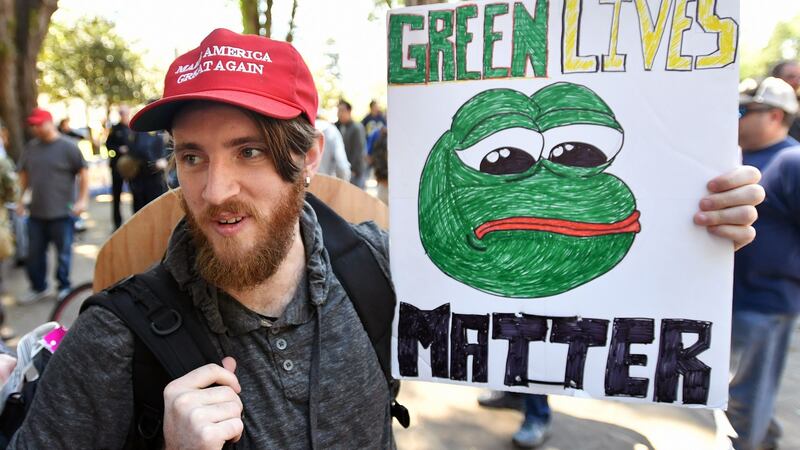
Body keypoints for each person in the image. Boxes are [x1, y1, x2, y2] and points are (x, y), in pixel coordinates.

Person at [7, 29, 763, 449]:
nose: (213, 191)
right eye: (192, 156)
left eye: (247, 152)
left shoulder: (380, 268)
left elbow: (558, 297)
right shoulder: (116, 337)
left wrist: (691, 227)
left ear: (306, 156)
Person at [727, 76, 800, 450]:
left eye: (744, 110)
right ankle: (765, 439)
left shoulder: (792, 161)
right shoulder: (738, 154)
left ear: (774, 115)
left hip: (765, 301)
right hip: (734, 296)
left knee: (745, 393)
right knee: (748, 388)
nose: (735, 118)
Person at [15, 108, 88, 304]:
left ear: (49, 122)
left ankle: (64, 286)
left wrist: (82, 200)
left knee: (63, 254)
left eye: (39, 124)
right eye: (33, 125)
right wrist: (21, 200)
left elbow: (83, 173)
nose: (35, 128)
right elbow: (24, 176)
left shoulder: (68, 146)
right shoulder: (30, 148)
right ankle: (38, 287)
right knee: (34, 254)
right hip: (36, 213)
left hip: (63, 212)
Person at [127, 127, 168, 212]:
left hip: (155, 176)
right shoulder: (142, 131)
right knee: (145, 209)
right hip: (144, 176)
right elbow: (141, 149)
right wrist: (155, 162)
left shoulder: (159, 130)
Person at [105, 105, 133, 229]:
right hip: (117, 166)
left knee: (136, 194)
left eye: (125, 113)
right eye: (121, 113)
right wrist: (118, 149)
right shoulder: (115, 129)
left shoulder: (133, 128)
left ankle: (135, 221)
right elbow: (108, 145)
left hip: (132, 167)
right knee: (116, 196)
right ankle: (117, 223)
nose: (124, 115)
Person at [336, 100, 367, 188]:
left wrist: (352, 169)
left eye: (342, 111)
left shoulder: (357, 128)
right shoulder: (337, 127)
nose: (340, 113)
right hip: (343, 171)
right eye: (338, 111)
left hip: (355, 172)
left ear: (349, 111)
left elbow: (358, 151)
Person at [771, 60, 800, 141]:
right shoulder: (764, 108)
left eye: (799, 77)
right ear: (777, 78)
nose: (797, 82)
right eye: (791, 77)